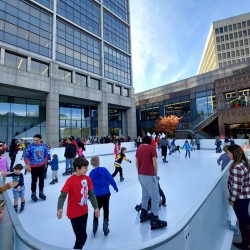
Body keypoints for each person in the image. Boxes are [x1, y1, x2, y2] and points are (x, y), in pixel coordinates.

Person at [57, 157, 100, 249]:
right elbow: (62, 195)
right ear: (77, 168)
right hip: (74, 214)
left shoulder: (87, 179)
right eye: (84, 168)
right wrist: (60, 208)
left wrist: (96, 207)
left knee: (81, 236)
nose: (87, 169)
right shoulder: (70, 180)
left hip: (84, 212)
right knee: (82, 237)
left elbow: (91, 194)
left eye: (87, 167)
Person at [135, 135, 167, 230]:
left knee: (145, 195)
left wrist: (139, 172)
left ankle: (143, 214)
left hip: (140, 175)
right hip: (150, 175)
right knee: (155, 197)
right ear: (150, 141)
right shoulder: (152, 148)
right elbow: (154, 163)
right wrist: (155, 174)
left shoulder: (139, 148)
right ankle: (154, 219)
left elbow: (136, 163)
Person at [227, 144, 250, 250]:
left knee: (243, 220)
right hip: (245, 196)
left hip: (240, 199)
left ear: (234, 153)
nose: (227, 154)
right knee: (245, 218)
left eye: (228, 152)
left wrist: (232, 200)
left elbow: (236, 187)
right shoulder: (244, 163)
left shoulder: (237, 167)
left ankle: (247, 244)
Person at [89, 156, 118, 236]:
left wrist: (89, 195)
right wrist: (115, 187)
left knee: (96, 209)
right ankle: (105, 224)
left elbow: (89, 185)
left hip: (96, 195)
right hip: (105, 193)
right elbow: (110, 179)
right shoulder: (104, 170)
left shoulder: (91, 173)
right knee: (106, 208)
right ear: (99, 162)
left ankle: (95, 224)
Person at [24, 134, 48, 202]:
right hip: (33, 167)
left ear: (40, 139)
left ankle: (41, 192)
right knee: (34, 180)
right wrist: (27, 165)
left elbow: (46, 155)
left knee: (42, 180)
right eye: (34, 140)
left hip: (42, 165)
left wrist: (45, 163)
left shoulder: (44, 146)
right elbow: (26, 156)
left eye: (37, 140)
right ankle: (33, 193)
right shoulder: (30, 147)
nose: (35, 141)